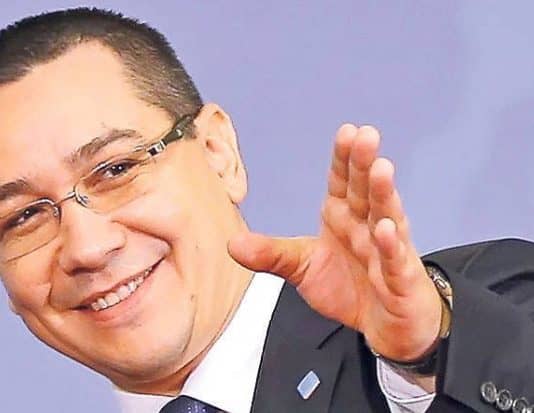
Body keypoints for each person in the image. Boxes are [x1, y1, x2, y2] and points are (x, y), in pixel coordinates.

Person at [0, 7, 531, 413]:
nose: (88, 248)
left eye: (116, 169)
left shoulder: (482, 304)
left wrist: (429, 353)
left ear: (218, 153)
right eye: (23, 217)